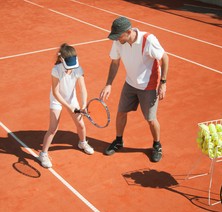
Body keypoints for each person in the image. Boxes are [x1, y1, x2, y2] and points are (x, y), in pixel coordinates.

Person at [100, 17, 169, 162]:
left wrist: (163, 82)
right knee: (121, 113)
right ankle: (119, 141)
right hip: (130, 83)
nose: (117, 39)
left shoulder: (148, 40)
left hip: (148, 85)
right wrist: (109, 84)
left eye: (119, 36)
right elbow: (115, 62)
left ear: (129, 32)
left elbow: (165, 58)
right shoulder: (119, 41)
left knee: (150, 119)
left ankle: (157, 145)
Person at [39, 43, 94, 168]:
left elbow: (83, 89)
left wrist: (84, 104)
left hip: (71, 98)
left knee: (80, 124)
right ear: (62, 59)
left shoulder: (78, 69)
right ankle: (43, 154)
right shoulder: (56, 70)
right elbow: (56, 92)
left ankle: (82, 143)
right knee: (53, 128)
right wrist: (69, 107)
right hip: (57, 100)